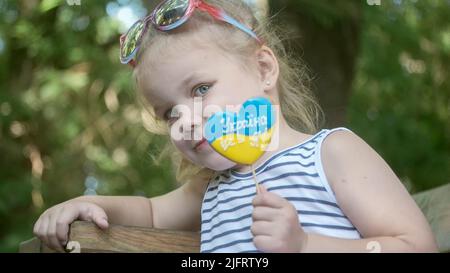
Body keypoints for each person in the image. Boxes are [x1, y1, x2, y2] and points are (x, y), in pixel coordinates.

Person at [33, 0, 437, 253]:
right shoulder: (210, 188)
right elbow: (151, 213)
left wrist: (305, 244)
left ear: (263, 68)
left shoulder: (330, 154)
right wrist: (90, 205)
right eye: (168, 112)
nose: (186, 119)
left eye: (201, 88)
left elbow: (417, 245)